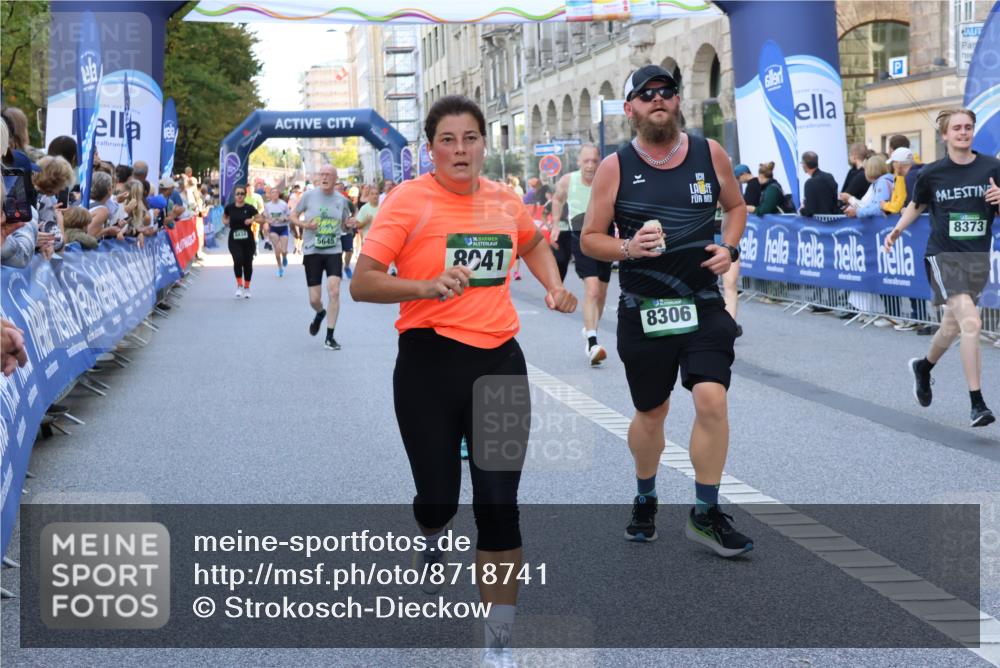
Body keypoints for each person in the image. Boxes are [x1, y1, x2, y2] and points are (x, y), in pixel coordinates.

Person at [350, 95, 576, 667]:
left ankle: (498, 643)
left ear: (483, 144)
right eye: (447, 140)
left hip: (499, 362)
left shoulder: (504, 200)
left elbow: (531, 243)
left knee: (499, 505)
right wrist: (424, 287)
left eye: (470, 138)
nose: (460, 149)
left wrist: (553, 286)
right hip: (427, 365)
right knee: (438, 497)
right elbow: (363, 282)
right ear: (431, 149)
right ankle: (432, 534)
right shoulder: (407, 201)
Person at [580, 65, 752, 556]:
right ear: (630, 108)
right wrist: (629, 248)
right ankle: (645, 494)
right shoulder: (615, 166)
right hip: (645, 307)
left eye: (666, 91)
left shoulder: (708, 152)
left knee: (712, 399)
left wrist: (730, 248)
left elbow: (736, 208)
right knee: (651, 412)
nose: (657, 98)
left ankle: (705, 513)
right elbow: (591, 238)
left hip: (702, 301)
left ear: (677, 101)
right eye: (646, 93)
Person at [884, 108, 1000, 428]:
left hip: (976, 257)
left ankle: (923, 367)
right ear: (945, 134)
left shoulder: (992, 168)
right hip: (943, 255)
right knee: (972, 323)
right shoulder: (932, 173)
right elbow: (916, 204)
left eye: (968, 127)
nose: (963, 132)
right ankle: (977, 403)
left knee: (952, 326)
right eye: (957, 128)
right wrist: (897, 230)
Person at [552, 144, 609, 365]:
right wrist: (555, 225)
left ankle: (590, 329)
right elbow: (557, 199)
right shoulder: (568, 180)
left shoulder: (607, 179)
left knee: (601, 293)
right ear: (578, 162)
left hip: (604, 238)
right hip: (581, 238)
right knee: (592, 289)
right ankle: (592, 343)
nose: (590, 166)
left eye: (594, 161)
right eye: (586, 161)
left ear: (600, 161)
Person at [293, 164, 351, 350]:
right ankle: (320, 313)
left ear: (335, 179)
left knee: (334, 291)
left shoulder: (341, 200)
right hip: (312, 251)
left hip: (334, 250)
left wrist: (349, 224)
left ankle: (329, 337)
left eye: (328, 175)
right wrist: (304, 225)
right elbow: (293, 216)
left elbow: (345, 224)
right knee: (314, 299)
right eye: (322, 174)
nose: (325, 177)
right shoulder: (308, 196)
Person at [223, 186, 263, 298]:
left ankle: (247, 287)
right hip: (234, 239)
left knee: (247, 263)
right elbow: (224, 217)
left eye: (242, 193)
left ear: (245, 195)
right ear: (234, 195)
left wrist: (252, 220)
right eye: (238, 194)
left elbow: (261, 219)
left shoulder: (249, 208)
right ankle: (239, 285)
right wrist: (225, 221)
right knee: (238, 260)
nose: (240, 195)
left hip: (248, 240)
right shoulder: (229, 207)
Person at [798, 151, 840, 216]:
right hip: (834, 219)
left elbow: (809, 211)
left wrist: (801, 209)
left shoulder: (809, 183)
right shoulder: (829, 177)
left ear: (804, 165)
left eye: (802, 163)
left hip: (818, 221)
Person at [263, 186, 292, 276]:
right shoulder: (268, 205)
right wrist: (268, 221)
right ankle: (280, 268)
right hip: (273, 229)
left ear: (278, 194)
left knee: (284, 250)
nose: (275, 194)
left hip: (283, 228)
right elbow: (265, 218)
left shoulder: (284, 204)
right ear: (270, 195)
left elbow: (290, 217)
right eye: (273, 192)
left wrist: (284, 218)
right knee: (277, 249)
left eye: (276, 192)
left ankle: (284, 256)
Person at [335, 180, 359, 279]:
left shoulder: (346, 201)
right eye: (337, 189)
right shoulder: (329, 201)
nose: (339, 191)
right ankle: (338, 271)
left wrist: (351, 220)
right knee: (338, 253)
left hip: (347, 230)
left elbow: (354, 210)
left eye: (341, 189)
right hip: (335, 232)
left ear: (343, 190)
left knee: (349, 251)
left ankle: (347, 267)